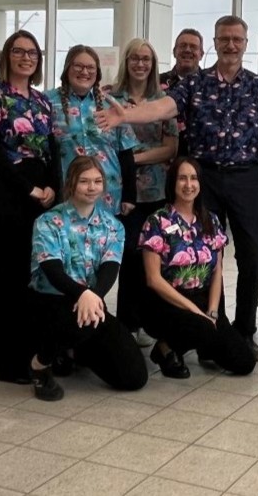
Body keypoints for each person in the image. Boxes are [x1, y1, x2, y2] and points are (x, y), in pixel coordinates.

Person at [96, 15, 258, 361]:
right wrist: (126, 116)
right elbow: (163, 107)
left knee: (252, 255)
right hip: (206, 179)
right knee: (204, 255)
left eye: (237, 39)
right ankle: (213, 329)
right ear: (215, 43)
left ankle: (244, 331)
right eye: (224, 39)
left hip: (246, 179)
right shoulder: (195, 83)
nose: (231, 45)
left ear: (245, 44)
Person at [0, 29, 58, 384]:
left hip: (38, 195)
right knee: (4, 281)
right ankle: (8, 364)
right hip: (4, 193)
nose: (26, 58)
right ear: (7, 55)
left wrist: (52, 187)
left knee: (30, 277)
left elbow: (51, 148)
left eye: (32, 53)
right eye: (19, 51)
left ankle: (31, 354)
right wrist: (29, 189)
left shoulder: (42, 101)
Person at [28, 156, 148, 401]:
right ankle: (40, 364)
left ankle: (74, 350)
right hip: (52, 300)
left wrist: (93, 296)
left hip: (91, 301)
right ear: (71, 183)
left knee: (134, 377)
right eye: (84, 181)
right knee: (78, 322)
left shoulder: (113, 226)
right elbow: (52, 269)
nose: (92, 187)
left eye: (97, 181)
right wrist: (83, 294)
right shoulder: (48, 222)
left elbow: (110, 267)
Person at [140, 157, 256, 378]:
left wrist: (212, 312)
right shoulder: (157, 222)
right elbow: (153, 279)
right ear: (172, 183)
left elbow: (217, 271)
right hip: (167, 302)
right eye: (182, 178)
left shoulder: (210, 220)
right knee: (202, 327)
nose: (188, 184)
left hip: (202, 298)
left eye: (193, 178)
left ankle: (185, 342)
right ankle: (166, 348)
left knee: (244, 362)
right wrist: (196, 313)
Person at [108, 38, 178, 348]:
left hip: (155, 192)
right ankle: (126, 322)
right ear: (126, 62)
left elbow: (170, 148)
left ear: (153, 64)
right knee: (127, 257)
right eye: (135, 58)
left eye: (146, 59)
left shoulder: (163, 102)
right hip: (119, 191)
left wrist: (132, 158)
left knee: (152, 259)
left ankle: (148, 322)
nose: (140, 64)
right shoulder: (110, 98)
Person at [46, 45, 137, 218]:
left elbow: (126, 153)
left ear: (97, 72)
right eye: (78, 66)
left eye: (90, 67)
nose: (84, 72)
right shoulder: (47, 102)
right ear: (67, 69)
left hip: (108, 193)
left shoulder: (112, 104)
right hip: (67, 192)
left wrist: (130, 195)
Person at [159, 29, 204, 157]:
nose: (187, 50)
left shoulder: (211, 85)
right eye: (183, 46)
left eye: (193, 47)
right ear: (174, 52)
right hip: (162, 158)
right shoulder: (156, 83)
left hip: (199, 161)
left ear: (201, 54)